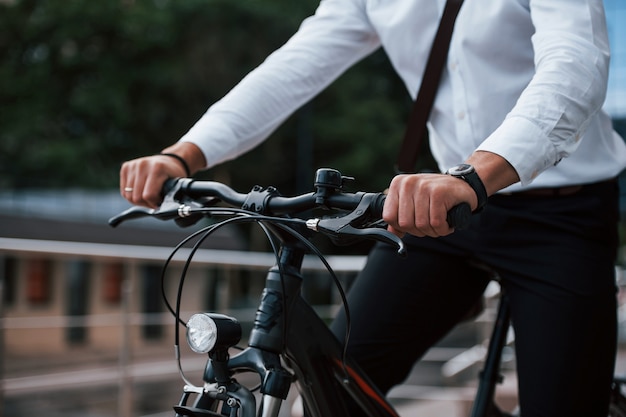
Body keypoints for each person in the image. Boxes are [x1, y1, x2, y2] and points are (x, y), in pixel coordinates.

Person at [119, 0, 626, 415]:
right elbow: (291, 69)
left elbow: (575, 64)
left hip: (560, 213)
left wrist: (478, 173)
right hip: (442, 212)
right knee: (334, 383)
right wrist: (183, 153)